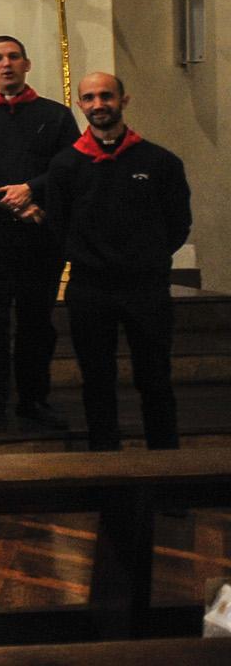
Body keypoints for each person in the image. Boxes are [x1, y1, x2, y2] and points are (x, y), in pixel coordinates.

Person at [45, 72, 192, 452]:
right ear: (80, 105)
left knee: (156, 378)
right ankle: (106, 468)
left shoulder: (160, 162)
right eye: (89, 98)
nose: (98, 104)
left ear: (123, 100)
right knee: (96, 379)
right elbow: (58, 227)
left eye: (106, 96)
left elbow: (178, 224)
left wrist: (147, 258)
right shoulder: (65, 166)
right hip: (90, 289)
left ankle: (166, 469)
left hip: (146, 289)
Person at [0, 35, 79, 429]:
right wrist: (14, 199)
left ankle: (34, 398)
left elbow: (68, 167)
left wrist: (32, 192)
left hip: (41, 234)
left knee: (37, 321)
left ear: (27, 63)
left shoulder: (55, 116)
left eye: (13, 57)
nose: (6, 64)